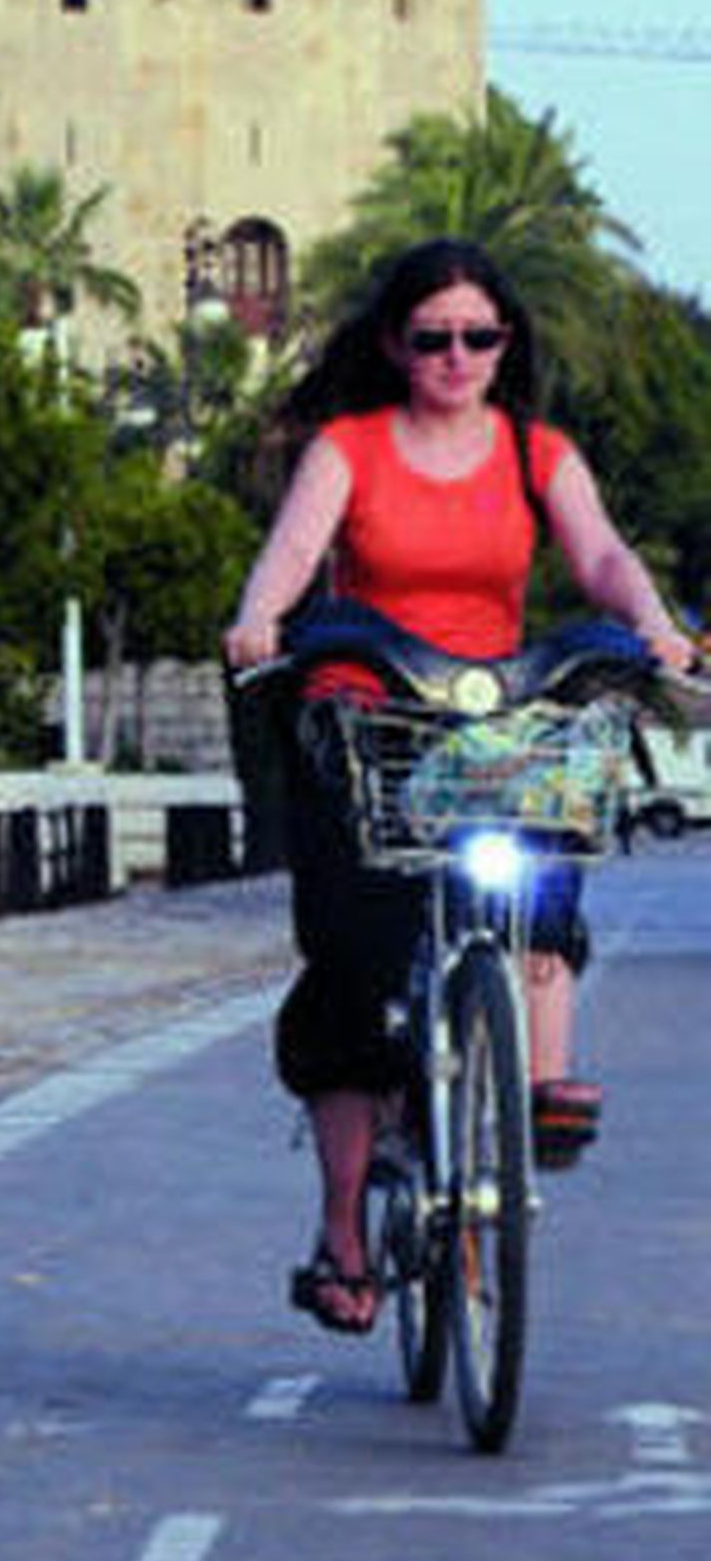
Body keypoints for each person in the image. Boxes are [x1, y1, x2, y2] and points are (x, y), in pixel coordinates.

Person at [222, 236, 693, 1336]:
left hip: (491, 718)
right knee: (354, 965)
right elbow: (291, 558)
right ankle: (343, 1230)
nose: (455, 355)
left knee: (543, 871)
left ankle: (542, 1082)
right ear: (394, 343)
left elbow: (605, 556)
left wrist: (652, 624)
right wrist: (260, 617)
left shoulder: (535, 452)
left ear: (503, 344)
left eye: (478, 336)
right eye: (432, 336)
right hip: (368, 715)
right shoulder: (348, 448)